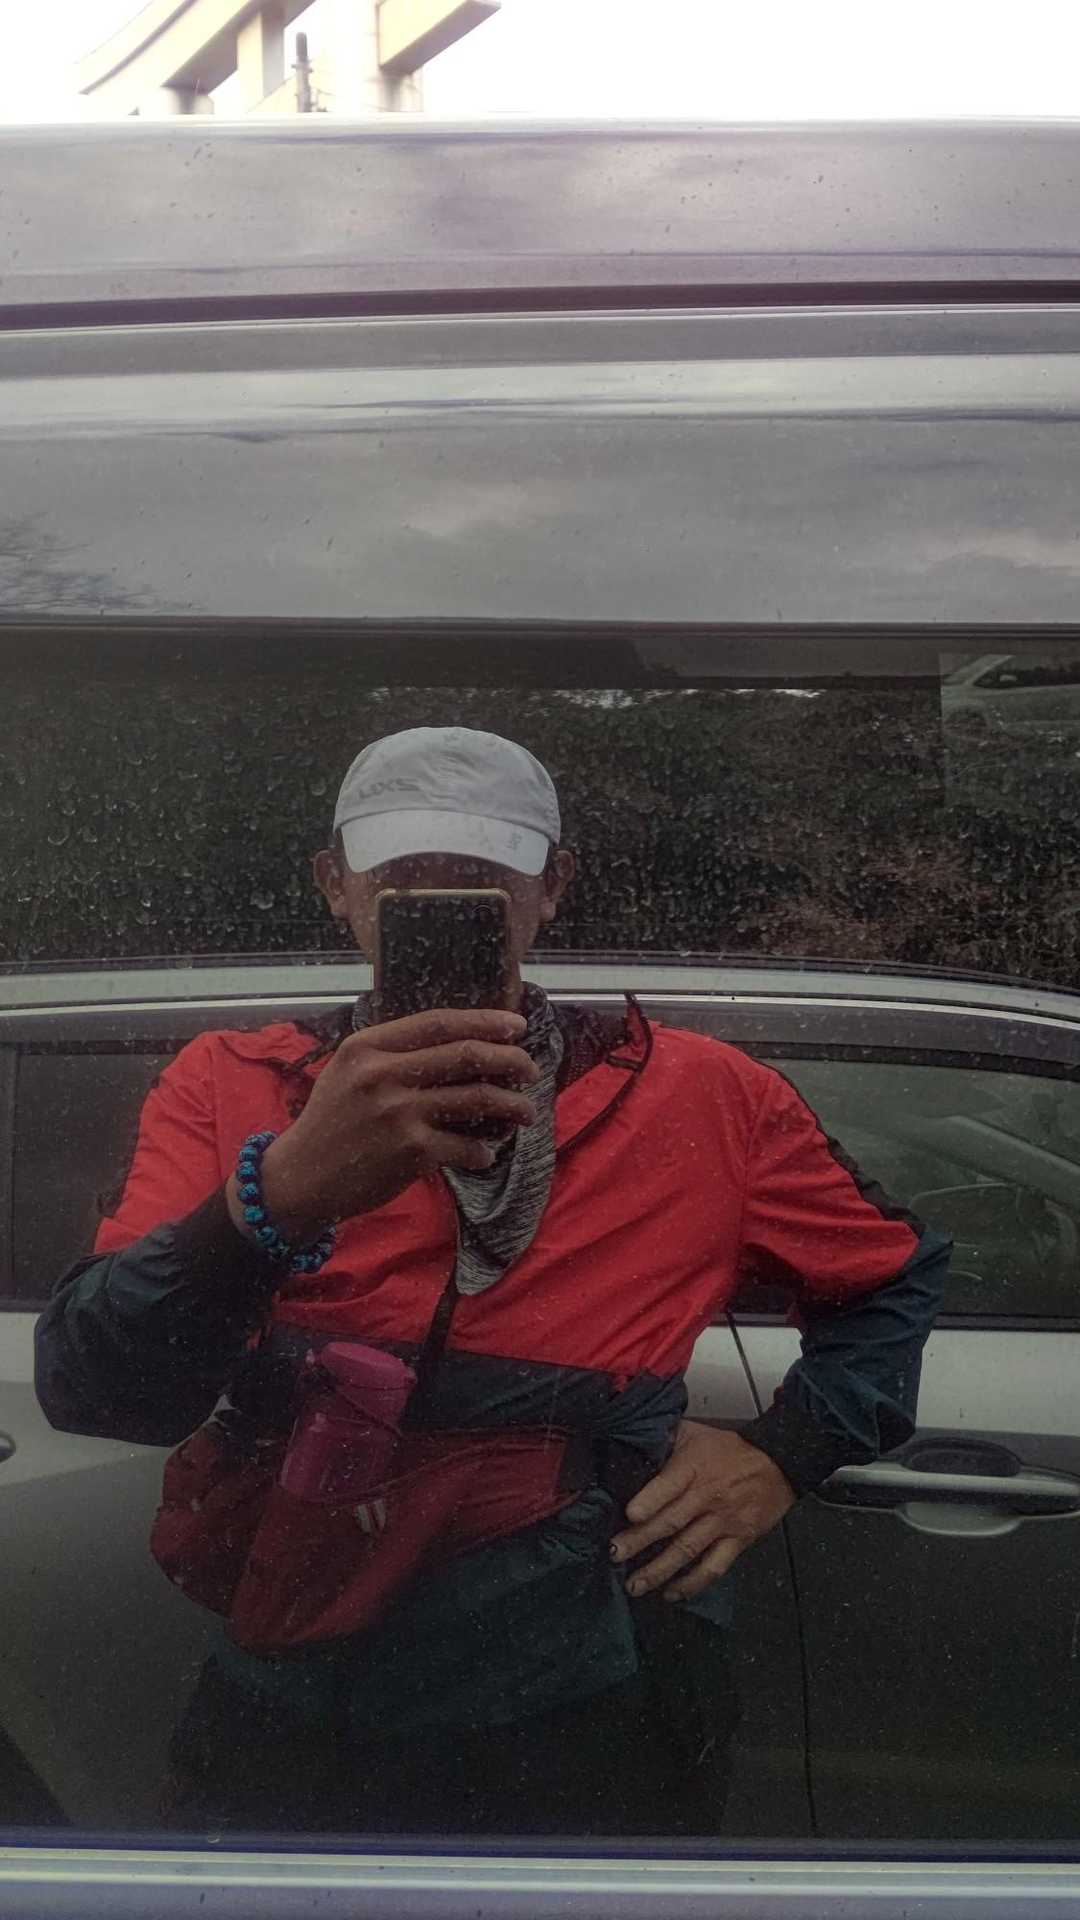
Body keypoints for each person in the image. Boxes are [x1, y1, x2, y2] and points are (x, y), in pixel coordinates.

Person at [35, 726, 948, 1839]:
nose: (437, 902)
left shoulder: (708, 1097)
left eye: (479, 877)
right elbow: (97, 1390)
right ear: (335, 887)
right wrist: (280, 1196)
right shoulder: (233, 1083)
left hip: (597, 1674)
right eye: (402, 878)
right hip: (293, 1654)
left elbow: (892, 1276)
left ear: (551, 886)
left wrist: (785, 1451)